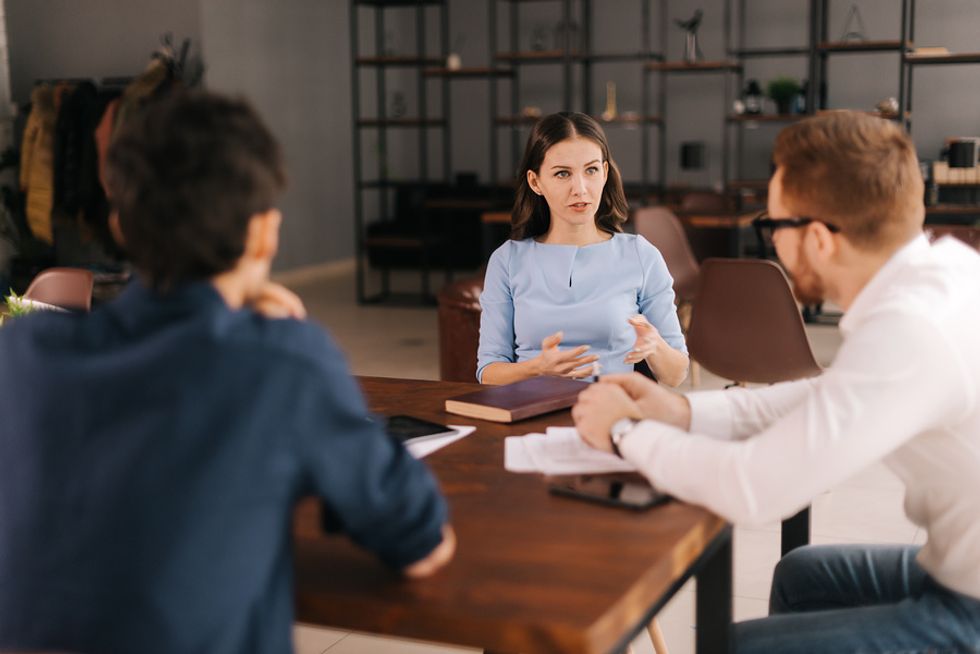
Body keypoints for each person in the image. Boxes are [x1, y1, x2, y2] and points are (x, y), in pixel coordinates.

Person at [0, 91, 455, 654]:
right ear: (265, 232)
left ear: (120, 224)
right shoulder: (284, 364)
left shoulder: (25, 353)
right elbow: (422, 541)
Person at [572, 110, 980, 652]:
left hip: (968, 606)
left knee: (731, 648)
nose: (772, 245)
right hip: (956, 571)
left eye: (774, 226)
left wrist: (624, 433)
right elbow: (828, 396)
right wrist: (681, 413)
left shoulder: (910, 329)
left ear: (816, 239)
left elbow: (751, 488)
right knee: (802, 575)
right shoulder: (943, 274)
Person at [477, 112, 689, 386]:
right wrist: (536, 368)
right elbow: (488, 372)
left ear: (605, 173)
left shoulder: (640, 255)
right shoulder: (507, 260)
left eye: (591, 170)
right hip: (531, 416)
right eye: (562, 173)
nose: (580, 188)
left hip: (613, 416)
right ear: (535, 182)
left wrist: (655, 345)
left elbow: (676, 375)